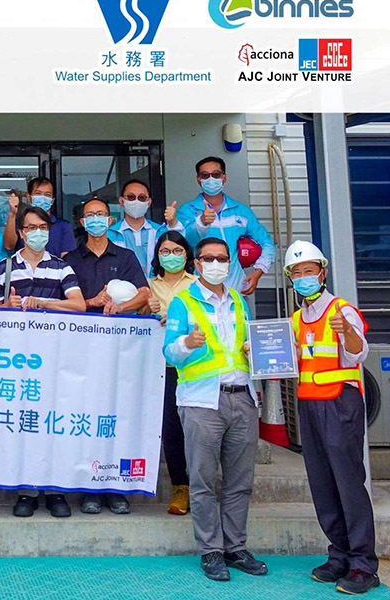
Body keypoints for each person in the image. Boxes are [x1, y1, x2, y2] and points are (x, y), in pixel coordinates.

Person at [163, 237, 267, 582]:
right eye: (208, 258)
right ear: (197, 264)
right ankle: (211, 550)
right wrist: (187, 343)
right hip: (201, 401)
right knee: (203, 481)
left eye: (222, 259)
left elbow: (246, 344)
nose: (216, 264)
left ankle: (236, 547)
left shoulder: (238, 300)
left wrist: (256, 349)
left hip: (242, 397)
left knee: (240, 481)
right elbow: (169, 352)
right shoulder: (183, 302)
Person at [284, 240, 378, 594]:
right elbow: (291, 360)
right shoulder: (296, 319)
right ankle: (339, 554)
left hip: (340, 403)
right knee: (322, 484)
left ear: (322, 273)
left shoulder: (342, 310)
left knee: (348, 482)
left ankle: (363, 564)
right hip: (309, 404)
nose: (303, 277)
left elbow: (359, 353)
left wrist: (347, 331)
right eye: (297, 273)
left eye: (309, 271)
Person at [0, 206, 85, 518]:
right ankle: (27, 491)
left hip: (55, 358)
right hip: (17, 361)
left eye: (42, 227)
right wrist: (8, 305)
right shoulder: (3, 268)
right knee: (25, 424)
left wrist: (43, 302)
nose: (37, 233)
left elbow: (79, 305)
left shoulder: (61, 267)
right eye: (31, 228)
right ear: (20, 232)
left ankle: (55, 490)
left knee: (54, 423)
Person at [64, 197, 150, 515]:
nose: (96, 219)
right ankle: (90, 486)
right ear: (82, 222)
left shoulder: (125, 256)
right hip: (82, 348)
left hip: (120, 347)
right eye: (90, 215)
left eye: (101, 214)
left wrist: (120, 306)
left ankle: (116, 487)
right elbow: (64, 301)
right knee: (86, 416)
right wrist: (92, 301)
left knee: (117, 414)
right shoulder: (70, 259)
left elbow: (144, 294)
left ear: (110, 220)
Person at [146, 231, 197, 516]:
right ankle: (181, 486)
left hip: (194, 366)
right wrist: (145, 308)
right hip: (161, 368)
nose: (172, 256)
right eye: (165, 251)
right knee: (171, 429)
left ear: (187, 254)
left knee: (199, 429)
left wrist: (177, 319)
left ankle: (202, 485)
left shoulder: (197, 285)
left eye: (177, 250)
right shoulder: (148, 285)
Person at [178, 156, 276, 295]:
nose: (211, 179)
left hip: (236, 289)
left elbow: (267, 243)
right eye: (205, 175)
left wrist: (258, 272)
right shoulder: (187, 211)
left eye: (216, 174)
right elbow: (182, 243)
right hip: (199, 291)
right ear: (198, 179)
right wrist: (201, 223)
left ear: (224, 178)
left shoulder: (241, 211)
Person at [109, 179, 183, 273]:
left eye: (142, 197)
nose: (136, 201)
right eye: (131, 197)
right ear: (121, 201)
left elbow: (180, 249)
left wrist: (173, 223)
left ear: (149, 202)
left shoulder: (160, 231)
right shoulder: (110, 234)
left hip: (157, 282)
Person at [2, 176, 77, 258]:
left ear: (52, 201)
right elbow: (9, 246)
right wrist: (12, 214)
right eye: (38, 193)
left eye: (47, 195)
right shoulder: (20, 223)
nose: (42, 198)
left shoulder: (63, 226)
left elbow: (67, 258)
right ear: (29, 197)